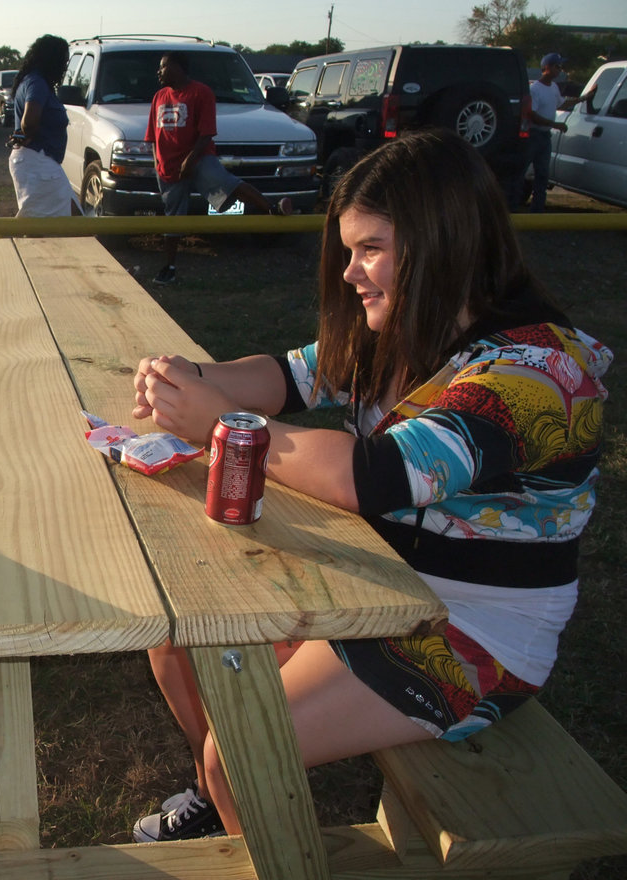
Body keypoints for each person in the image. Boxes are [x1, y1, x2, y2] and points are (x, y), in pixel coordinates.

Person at [129, 129, 611, 842]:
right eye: (349, 251)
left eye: (371, 250)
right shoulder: (409, 325)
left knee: (239, 750)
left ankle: (249, 839)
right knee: (177, 640)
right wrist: (192, 379)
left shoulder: (538, 374)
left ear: (444, 241)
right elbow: (288, 377)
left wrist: (220, 426)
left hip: (474, 634)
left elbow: (374, 477)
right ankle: (226, 805)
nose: (351, 273)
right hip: (385, 584)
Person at [146, 51, 292, 286]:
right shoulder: (159, 97)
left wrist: (190, 160)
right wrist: (158, 164)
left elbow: (206, 134)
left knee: (226, 182)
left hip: (199, 158)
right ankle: (169, 267)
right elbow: (152, 137)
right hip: (169, 167)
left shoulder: (200, 92)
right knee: (171, 218)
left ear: (178, 67)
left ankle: (270, 208)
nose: (159, 72)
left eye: (163, 66)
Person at [8, 34, 79, 217]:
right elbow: (29, 121)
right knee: (54, 226)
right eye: (63, 60)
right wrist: (27, 132)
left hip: (39, 162)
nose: (64, 66)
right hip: (37, 161)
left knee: (73, 216)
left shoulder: (36, 81)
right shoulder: (37, 82)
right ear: (52, 59)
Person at [524, 52, 594, 213]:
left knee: (542, 175)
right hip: (533, 136)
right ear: (547, 68)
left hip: (545, 137)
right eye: (557, 66)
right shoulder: (535, 89)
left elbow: (561, 104)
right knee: (521, 172)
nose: (560, 70)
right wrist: (554, 124)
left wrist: (583, 98)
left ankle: (537, 210)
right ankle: (511, 207)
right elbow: (532, 115)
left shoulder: (554, 87)